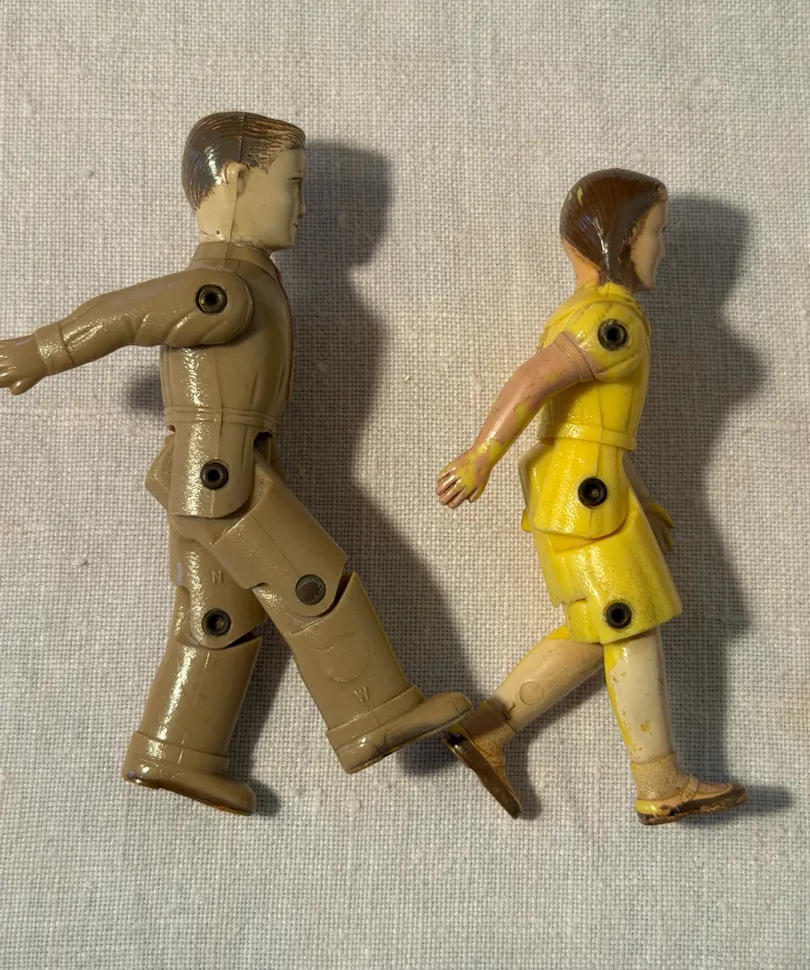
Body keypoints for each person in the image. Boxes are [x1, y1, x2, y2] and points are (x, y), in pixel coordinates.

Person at [0, 111, 469, 814]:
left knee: (216, 616)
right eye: (294, 185)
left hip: (209, 471)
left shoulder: (247, 279)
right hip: (224, 475)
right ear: (238, 179)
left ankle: (176, 752)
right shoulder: (223, 286)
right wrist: (41, 350)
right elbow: (127, 313)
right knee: (312, 583)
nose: (303, 208)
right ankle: (372, 714)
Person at [437, 168, 746, 825]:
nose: (661, 248)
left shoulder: (580, 311)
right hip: (588, 497)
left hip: (589, 490)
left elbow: (593, 424)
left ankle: (486, 731)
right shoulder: (612, 319)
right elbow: (534, 381)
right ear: (625, 238)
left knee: (601, 626)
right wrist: (481, 454)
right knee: (631, 627)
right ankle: (661, 784)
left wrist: (639, 497)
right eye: (656, 232)